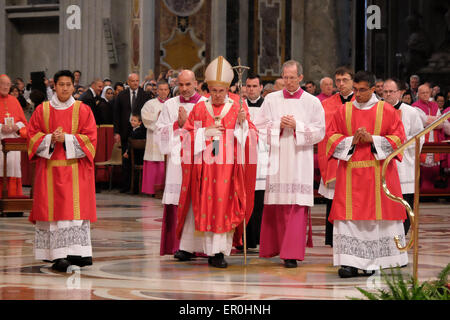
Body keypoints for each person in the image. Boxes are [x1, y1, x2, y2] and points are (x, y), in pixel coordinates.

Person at [175, 56, 257, 268]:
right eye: (213, 91)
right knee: (205, 208)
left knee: (223, 208)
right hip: (205, 169)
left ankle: (219, 253)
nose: (217, 95)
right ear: (208, 90)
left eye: (221, 91)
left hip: (227, 169)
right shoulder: (201, 109)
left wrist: (242, 124)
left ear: (228, 89)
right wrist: (204, 132)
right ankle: (206, 249)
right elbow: (185, 135)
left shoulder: (237, 107)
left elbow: (251, 136)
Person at [326, 71, 407, 278]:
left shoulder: (387, 110)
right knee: (349, 219)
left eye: (362, 90)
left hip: (378, 173)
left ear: (373, 89)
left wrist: (373, 139)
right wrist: (351, 140)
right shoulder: (343, 111)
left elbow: (399, 140)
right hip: (350, 174)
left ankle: (375, 262)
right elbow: (331, 138)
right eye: (355, 89)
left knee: (376, 220)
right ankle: (350, 263)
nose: (358, 94)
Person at [254, 60, 325, 268]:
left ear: (301, 78)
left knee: (295, 206)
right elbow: (259, 126)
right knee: (277, 205)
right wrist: (278, 125)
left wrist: (297, 126)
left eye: (292, 78)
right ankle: (276, 248)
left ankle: (291, 254)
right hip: (277, 160)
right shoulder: (271, 99)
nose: (288, 82)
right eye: (285, 77)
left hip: (299, 162)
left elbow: (320, 131)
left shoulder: (312, 102)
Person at [27, 70, 97, 272]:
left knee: (73, 213)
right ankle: (57, 255)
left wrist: (66, 138)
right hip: (49, 170)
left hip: (76, 170)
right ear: (54, 87)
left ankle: (78, 252)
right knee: (55, 213)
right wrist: (49, 138)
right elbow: (32, 137)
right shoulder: (43, 110)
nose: (65, 88)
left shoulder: (82, 110)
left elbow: (91, 140)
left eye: (68, 84)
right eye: (61, 85)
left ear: (73, 87)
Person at [154, 70, 206, 257]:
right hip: (177, 161)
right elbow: (159, 132)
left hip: (200, 160)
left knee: (198, 202)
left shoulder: (205, 104)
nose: (184, 89)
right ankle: (180, 246)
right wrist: (177, 124)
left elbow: (212, 134)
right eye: (181, 85)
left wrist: (189, 125)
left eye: (188, 85)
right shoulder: (170, 105)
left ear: (196, 83)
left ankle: (199, 247)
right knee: (179, 200)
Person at [317, 66, 355, 247]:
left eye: (345, 80)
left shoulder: (362, 103)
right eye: (338, 81)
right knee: (333, 199)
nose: (341, 84)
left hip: (356, 158)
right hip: (334, 158)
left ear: (353, 81)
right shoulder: (326, 104)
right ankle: (333, 239)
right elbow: (324, 133)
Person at [383, 78, 424, 235]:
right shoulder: (378, 110)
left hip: (404, 164)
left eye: (391, 92)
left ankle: (404, 232)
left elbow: (419, 137)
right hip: (385, 162)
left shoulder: (411, 112)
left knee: (405, 201)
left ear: (399, 93)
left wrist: (404, 146)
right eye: (385, 92)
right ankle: (388, 233)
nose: (388, 95)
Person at [113, 73, 152, 193]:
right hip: (125, 130)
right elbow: (116, 114)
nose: (135, 83)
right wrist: (117, 132)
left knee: (138, 158)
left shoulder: (145, 95)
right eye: (132, 81)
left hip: (140, 132)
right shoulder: (122, 95)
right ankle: (126, 185)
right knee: (126, 159)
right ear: (128, 82)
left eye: (137, 81)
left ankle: (137, 187)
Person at [243, 73, 268, 251]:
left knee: (259, 200)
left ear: (261, 88)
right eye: (248, 86)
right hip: (244, 158)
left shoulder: (267, 106)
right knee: (244, 198)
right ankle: (244, 239)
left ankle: (258, 237)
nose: (251, 89)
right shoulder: (238, 106)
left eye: (254, 86)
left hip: (263, 156)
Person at [412, 84, 445, 192]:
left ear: (430, 93)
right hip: (422, 140)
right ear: (418, 94)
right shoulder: (415, 106)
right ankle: (423, 190)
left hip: (434, 139)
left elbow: (441, 124)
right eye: (423, 93)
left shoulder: (434, 105)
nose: (425, 94)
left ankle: (432, 191)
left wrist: (431, 120)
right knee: (422, 167)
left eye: (427, 92)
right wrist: (435, 120)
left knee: (435, 168)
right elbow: (423, 121)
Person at [0, 75, 28, 201]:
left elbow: (23, 122)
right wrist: (1, 127)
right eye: (3, 84)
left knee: (12, 168)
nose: (6, 87)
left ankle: (12, 199)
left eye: (8, 84)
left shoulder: (14, 101)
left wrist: (16, 126)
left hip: (13, 142)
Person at [140, 80, 170, 196]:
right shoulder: (150, 104)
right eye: (161, 89)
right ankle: (151, 190)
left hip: (168, 136)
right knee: (154, 159)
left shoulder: (172, 103)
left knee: (166, 161)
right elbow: (145, 118)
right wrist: (157, 117)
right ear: (157, 90)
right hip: (154, 137)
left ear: (168, 90)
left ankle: (165, 190)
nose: (163, 92)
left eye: (165, 89)